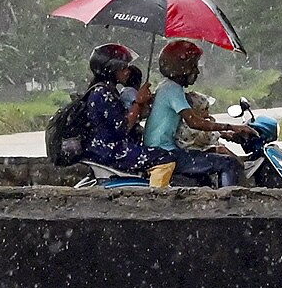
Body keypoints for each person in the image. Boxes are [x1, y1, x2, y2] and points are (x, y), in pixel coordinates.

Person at [143, 40, 255, 187]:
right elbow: (194, 122)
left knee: (206, 172)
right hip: (165, 153)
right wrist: (232, 127)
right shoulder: (172, 90)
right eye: (193, 66)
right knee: (228, 163)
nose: (196, 72)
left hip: (162, 150)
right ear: (182, 67)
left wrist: (226, 134)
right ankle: (229, 203)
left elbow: (189, 127)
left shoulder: (166, 87)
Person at [81, 43, 176, 186]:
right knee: (165, 158)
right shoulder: (103, 93)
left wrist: (142, 103)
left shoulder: (107, 90)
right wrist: (138, 102)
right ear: (111, 69)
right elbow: (123, 127)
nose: (127, 71)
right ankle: (157, 197)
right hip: (111, 152)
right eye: (123, 68)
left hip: (106, 149)